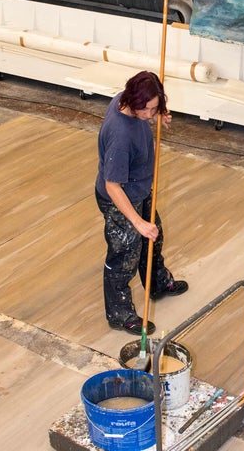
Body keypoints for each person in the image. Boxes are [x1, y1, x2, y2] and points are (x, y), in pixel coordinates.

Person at [95, 71, 188, 336]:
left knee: (154, 238)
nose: (150, 115)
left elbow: (148, 111)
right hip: (119, 198)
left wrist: (160, 114)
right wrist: (137, 222)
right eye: (147, 110)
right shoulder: (120, 136)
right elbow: (113, 186)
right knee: (126, 252)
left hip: (140, 187)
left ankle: (157, 284)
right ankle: (120, 313)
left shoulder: (127, 101)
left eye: (155, 108)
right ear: (133, 102)